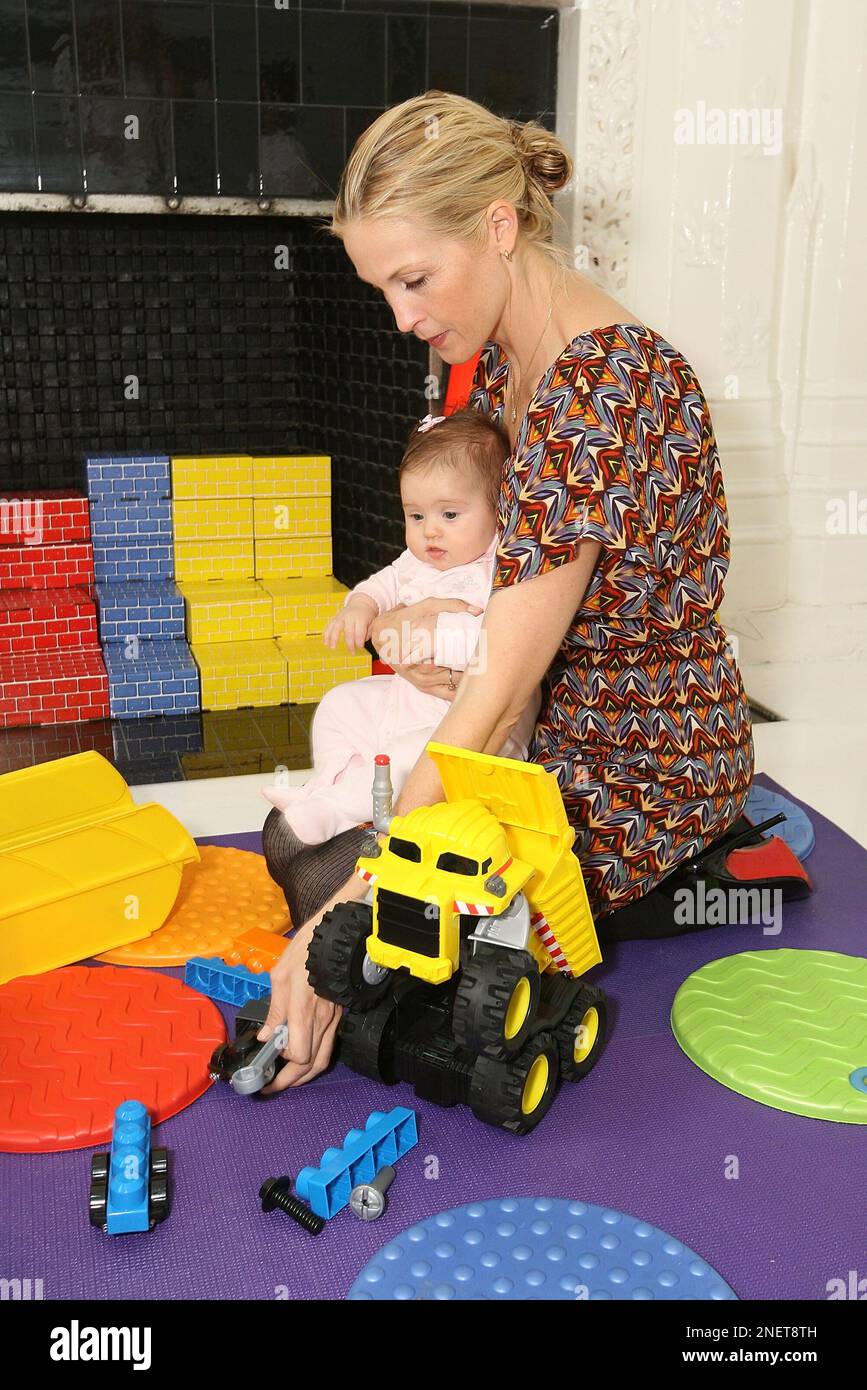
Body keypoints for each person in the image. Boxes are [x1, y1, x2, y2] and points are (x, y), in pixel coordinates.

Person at [257, 90, 755, 1091]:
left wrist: (345, 907)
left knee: (334, 888)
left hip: (642, 752)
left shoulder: (600, 390)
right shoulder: (500, 368)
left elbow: (499, 689)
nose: (404, 319)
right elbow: (500, 657)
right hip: (537, 724)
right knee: (301, 839)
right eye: (383, 291)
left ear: (496, 225)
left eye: (415, 280)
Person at [261, 408, 540, 844]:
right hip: (405, 699)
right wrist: (360, 608)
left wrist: (432, 634)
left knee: (403, 758)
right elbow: (380, 585)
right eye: (415, 516)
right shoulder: (416, 561)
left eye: (449, 515)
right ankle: (330, 786)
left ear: (497, 508)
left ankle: (334, 812)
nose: (431, 532)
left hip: (474, 735)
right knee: (338, 706)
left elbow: (500, 641)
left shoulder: (498, 569)